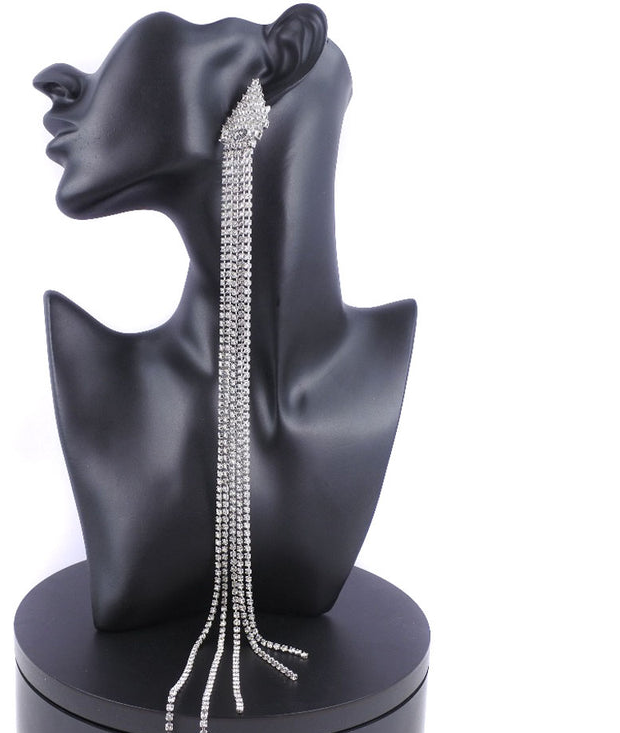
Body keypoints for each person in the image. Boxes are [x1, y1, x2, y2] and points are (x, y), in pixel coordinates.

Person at [34, 5, 416, 631]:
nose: (58, 82)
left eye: (175, 31)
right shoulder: (91, 373)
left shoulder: (384, 365)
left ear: (284, 56)